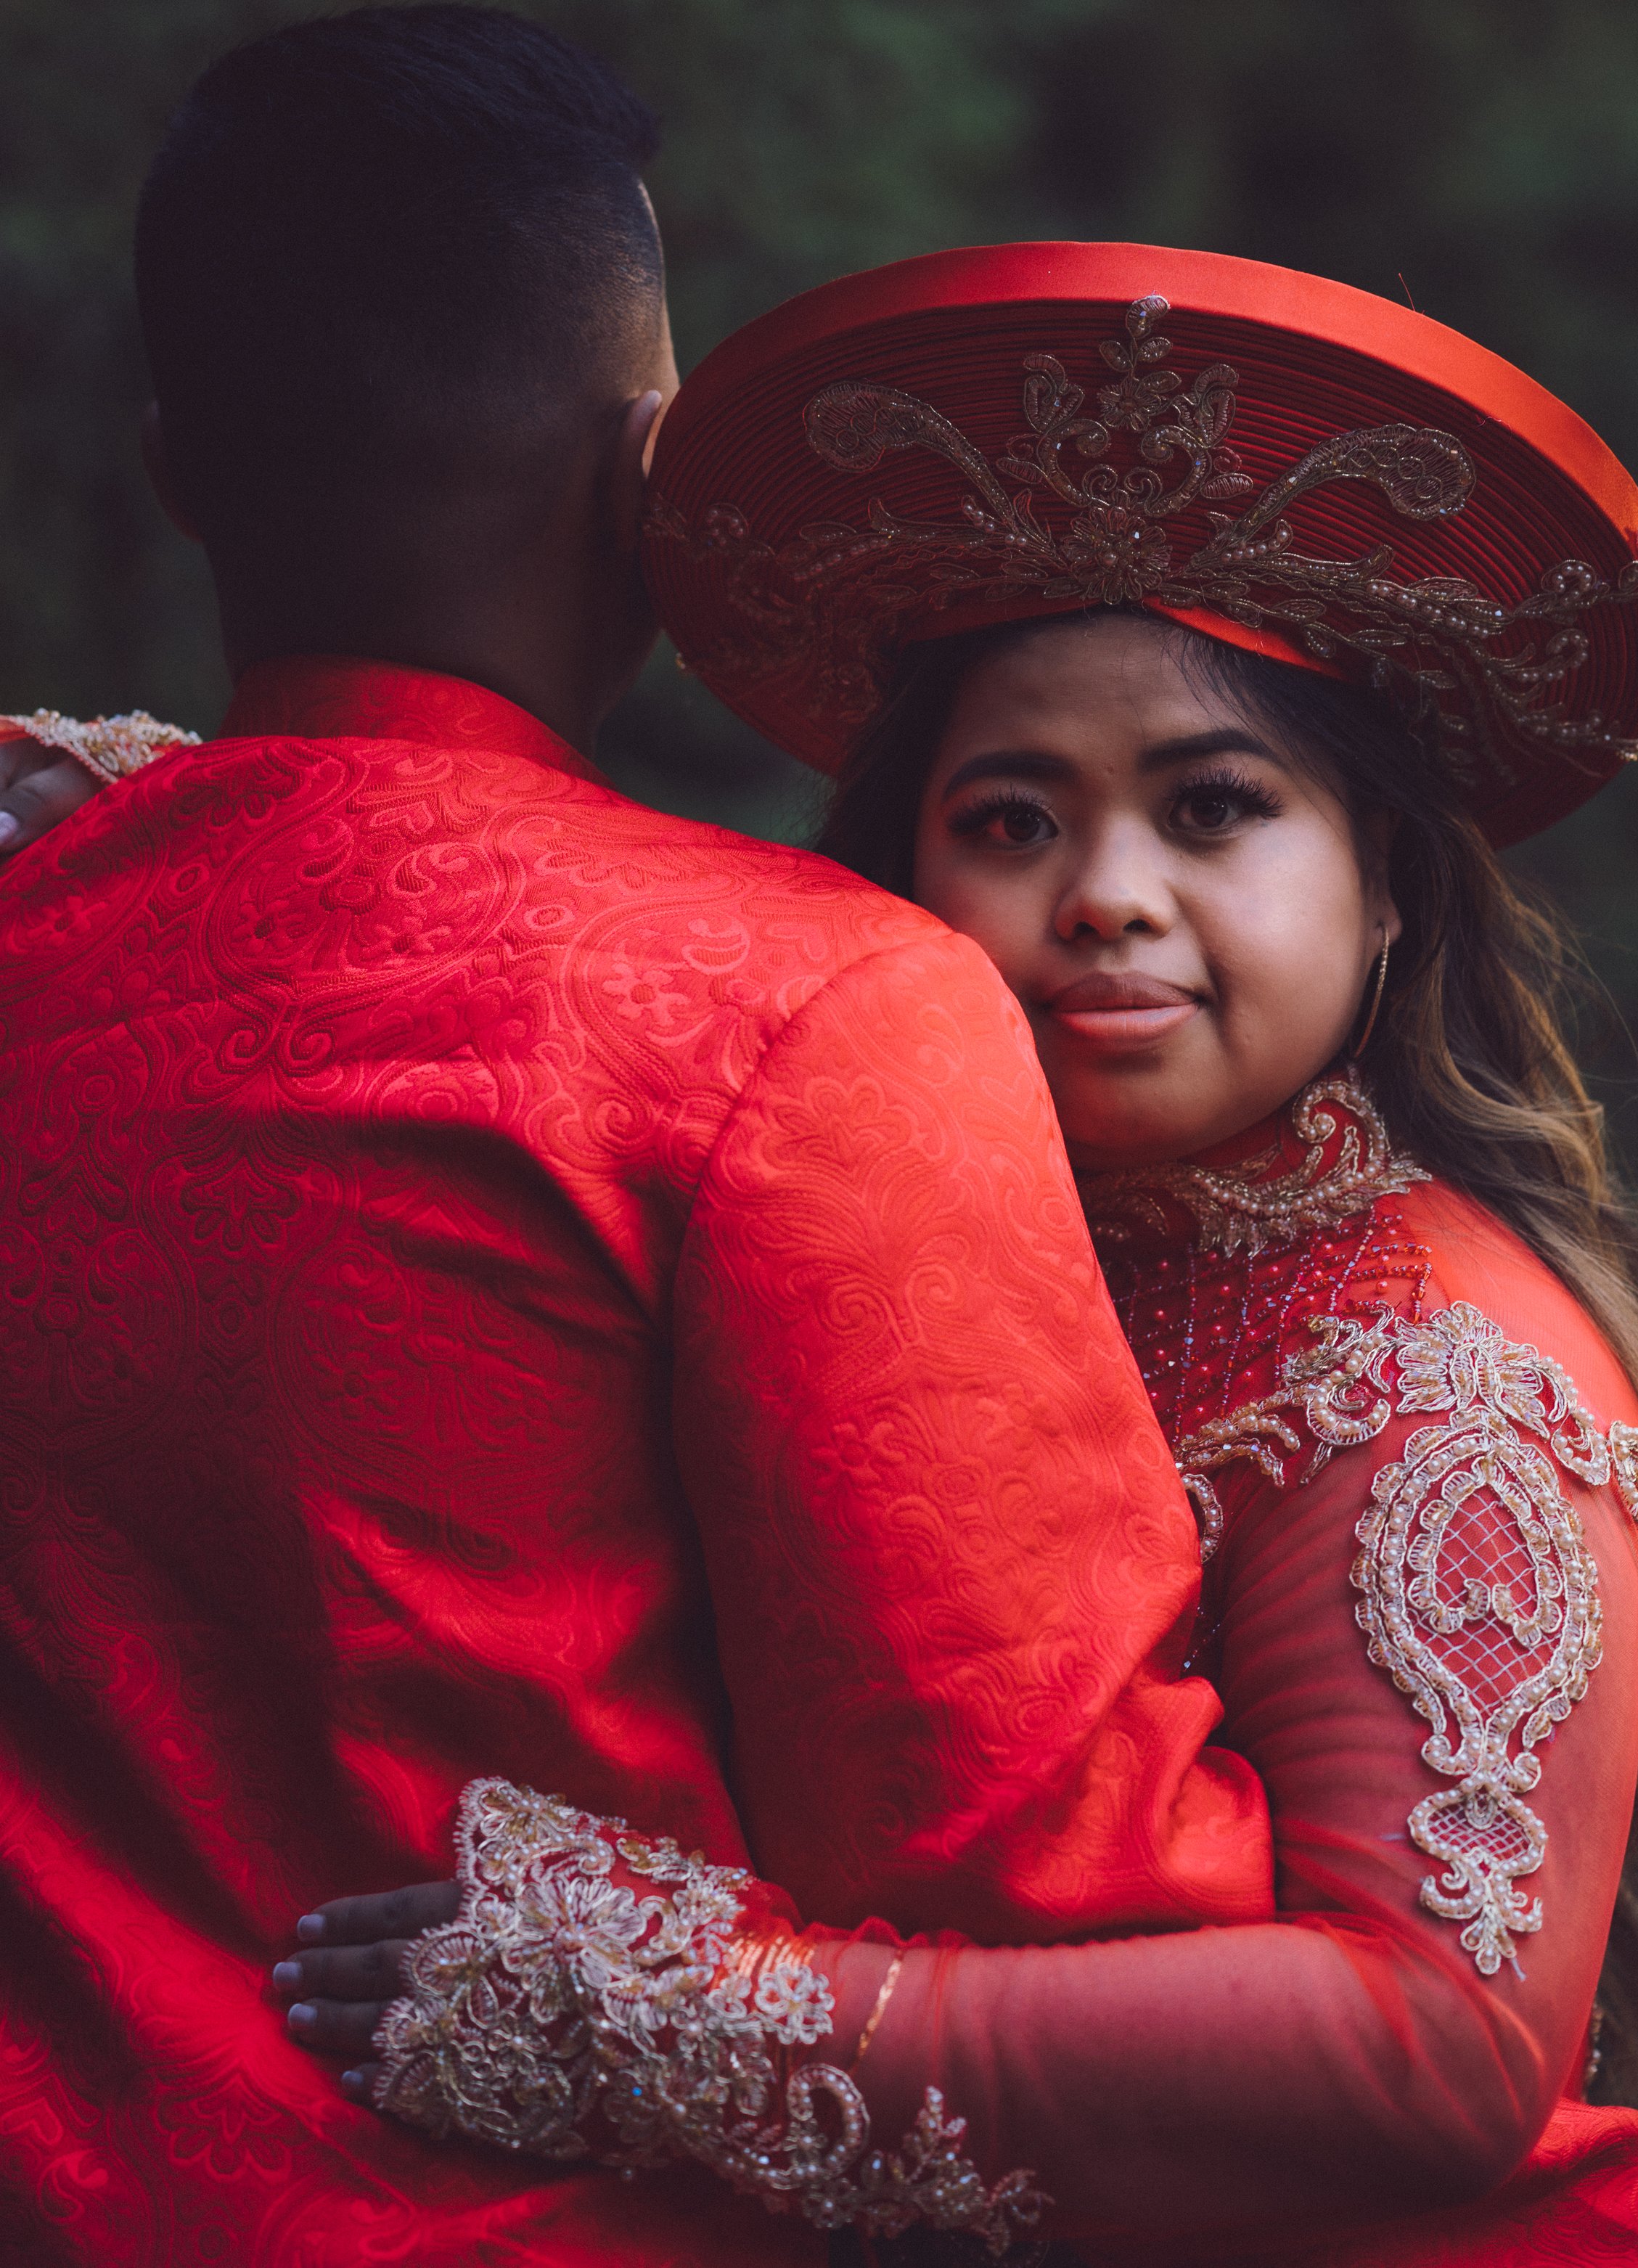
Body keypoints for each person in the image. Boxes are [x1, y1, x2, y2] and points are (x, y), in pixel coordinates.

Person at [282, 249, 1638, 2265]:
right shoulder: (883, 1233)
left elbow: (1428, 2047)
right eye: (1010, 820)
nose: (1106, 899)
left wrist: (667, 2016)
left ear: (1392, 893)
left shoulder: (1444, 1377)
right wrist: (188, 818)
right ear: (893, 894)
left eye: (1213, 806)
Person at [0, 22, 1279, 2267]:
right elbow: (1052, 1886)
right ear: (651, 474)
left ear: (178, 474)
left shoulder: (38, 897)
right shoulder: (797, 1005)